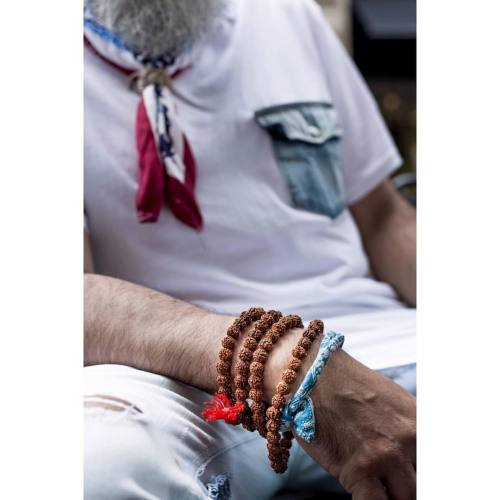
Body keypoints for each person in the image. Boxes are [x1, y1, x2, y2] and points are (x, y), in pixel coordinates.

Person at [83, 0, 416, 498]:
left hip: (389, 347)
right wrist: (279, 359)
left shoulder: (285, 12)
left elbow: (384, 217)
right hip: (178, 385)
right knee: (92, 467)